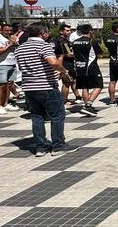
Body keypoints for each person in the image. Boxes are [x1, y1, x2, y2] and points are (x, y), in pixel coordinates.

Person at [17, 23, 78, 156]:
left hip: (29, 86)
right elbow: (53, 62)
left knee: (37, 116)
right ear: (43, 33)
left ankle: (41, 146)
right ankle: (58, 145)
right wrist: (63, 71)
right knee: (57, 115)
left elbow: (21, 67)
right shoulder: (44, 46)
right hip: (46, 86)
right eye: (47, 32)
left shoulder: (21, 48)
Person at [72, 24, 104, 117]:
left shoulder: (75, 42)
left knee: (85, 87)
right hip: (91, 66)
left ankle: (87, 107)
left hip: (79, 67)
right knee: (99, 85)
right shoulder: (92, 41)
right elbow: (100, 55)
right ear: (90, 31)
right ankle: (88, 105)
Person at [0, 22, 19, 115]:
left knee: (9, 84)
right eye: (6, 30)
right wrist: (10, 44)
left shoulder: (12, 37)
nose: (9, 32)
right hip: (0, 65)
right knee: (1, 85)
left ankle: (5, 104)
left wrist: (15, 43)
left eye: (10, 30)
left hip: (12, 63)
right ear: (1, 30)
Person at [53, 24, 79, 106]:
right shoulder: (63, 41)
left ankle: (78, 96)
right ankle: (64, 100)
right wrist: (79, 54)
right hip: (66, 64)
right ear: (61, 31)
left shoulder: (55, 39)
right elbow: (68, 54)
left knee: (73, 80)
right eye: (67, 30)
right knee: (67, 83)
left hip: (63, 63)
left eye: (70, 30)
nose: (69, 32)